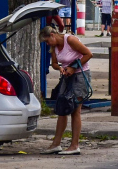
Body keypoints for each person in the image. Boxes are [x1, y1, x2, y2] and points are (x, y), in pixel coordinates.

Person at [40, 26, 93, 155]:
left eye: (47, 41)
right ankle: (56, 144)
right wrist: (60, 68)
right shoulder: (54, 47)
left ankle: (74, 145)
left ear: (53, 35)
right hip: (67, 77)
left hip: (80, 75)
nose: (47, 44)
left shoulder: (70, 40)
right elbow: (54, 63)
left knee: (75, 110)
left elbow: (88, 54)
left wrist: (73, 67)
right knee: (62, 109)